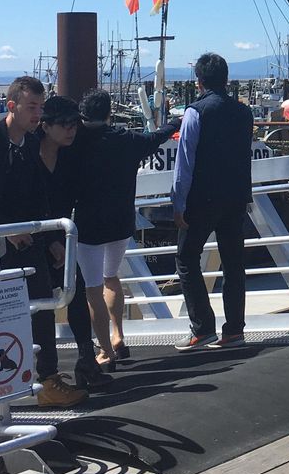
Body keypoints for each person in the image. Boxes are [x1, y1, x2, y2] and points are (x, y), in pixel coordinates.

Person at [0, 76, 88, 408]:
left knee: (41, 308)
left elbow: (39, 196)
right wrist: (4, 231)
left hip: (30, 245)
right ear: (12, 106)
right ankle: (0, 386)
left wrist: (53, 240)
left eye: (40, 107)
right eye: (31, 107)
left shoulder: (27, 143)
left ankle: (48, 381)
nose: (38, 114)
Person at [71, 89, 179, 368]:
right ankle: (119, 336)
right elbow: (156, 137)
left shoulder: (75, 142)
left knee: (92, 288)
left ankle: (105, 350)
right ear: (109, 113)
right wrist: (177, 122)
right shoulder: (127, 140)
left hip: (90, 225)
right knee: (112, 277)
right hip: (121, 222)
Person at [173, 53, 254, 352]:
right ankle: (234, 330)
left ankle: (202, 327)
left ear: (199, 81)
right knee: (234, 264)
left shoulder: (195, 113)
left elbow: (184, 165)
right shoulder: (244, 113)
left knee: (185, 258)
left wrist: (178, 203)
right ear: (227, 79)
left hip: (202, 199)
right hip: (236, 198)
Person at [36, 95, 111, 390]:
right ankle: (48, 375)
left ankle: (86, 359)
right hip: (33, 240)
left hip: (62, 238)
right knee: (41, 306)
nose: (71, 130)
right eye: (64, 124)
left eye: (74, 124)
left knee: (76, 294)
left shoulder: (70, 156)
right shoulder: (27, 155)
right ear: (45, 126)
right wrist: (50, 240)